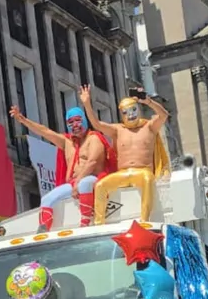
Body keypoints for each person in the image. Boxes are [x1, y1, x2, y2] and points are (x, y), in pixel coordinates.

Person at [9, 102, 116, 231]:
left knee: (84, 184)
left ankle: (85, 223)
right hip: (74, 184)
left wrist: (78, 181)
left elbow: (92, 162)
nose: (75, 125)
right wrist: (23, 120)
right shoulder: (67, 142)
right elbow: (44, 131)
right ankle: (44, 229)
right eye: (70, 122)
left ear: (85, 121)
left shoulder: (94, 138)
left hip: (94, 180)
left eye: (78, 120)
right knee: (47, 199)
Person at [81, 85, 171, 224]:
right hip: (123, 173)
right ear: (121, 114)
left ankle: (144, 220)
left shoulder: (149, 127)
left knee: (147, 180)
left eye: (133, 109)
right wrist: (87, 103)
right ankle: (99, 223)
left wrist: (148, 102)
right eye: (126, 112)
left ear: (138, 110)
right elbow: (96, 124)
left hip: (143, 172)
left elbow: (164, 115)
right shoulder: (117, 130)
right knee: (100, 186)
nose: (131, 114)